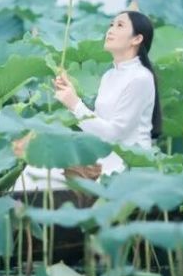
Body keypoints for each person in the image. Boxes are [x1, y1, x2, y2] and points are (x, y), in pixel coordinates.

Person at [17, 10, 162, 190]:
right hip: (99, 159)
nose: (110, 30)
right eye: (111, 24)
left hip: (124, 168)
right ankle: (22, 216)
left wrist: (75, 104)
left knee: (41, 177)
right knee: (33, 172)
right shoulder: (109, 76)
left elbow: (114, 134)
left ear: (137, 39)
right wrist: (71, 98)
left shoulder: (141, 78)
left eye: (120, 25)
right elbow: (98, 130)